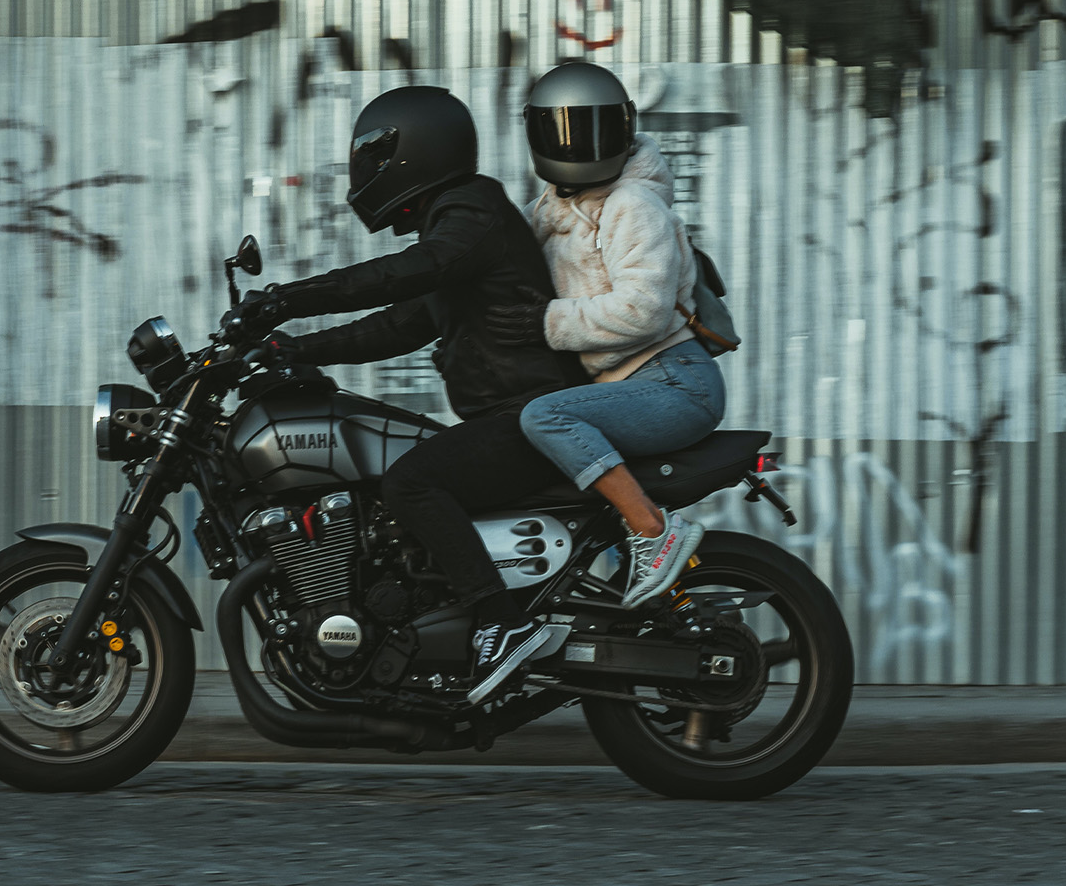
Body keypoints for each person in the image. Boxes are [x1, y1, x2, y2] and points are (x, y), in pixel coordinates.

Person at [225, 85, 590, 705]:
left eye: (373, 154)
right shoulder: (461, 230)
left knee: (410, 482)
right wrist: (294, 348)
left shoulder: (473, 214)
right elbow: (398, 322)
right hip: (509, 418)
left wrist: (292, 297)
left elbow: (404, 274)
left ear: (413, 151)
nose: (363, 169)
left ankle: (504, 623)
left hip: (528, 418)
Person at [488, 61, 726, 609]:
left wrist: (544, 323)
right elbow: (499, 251)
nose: (578, 145)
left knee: (545, 416)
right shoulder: (555, 209)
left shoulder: (633, 205)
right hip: (633, 383)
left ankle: (652, 531)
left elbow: (642, 311)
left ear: (621, 128)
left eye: (593, 129)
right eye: (564, 130)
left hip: (674, 382)